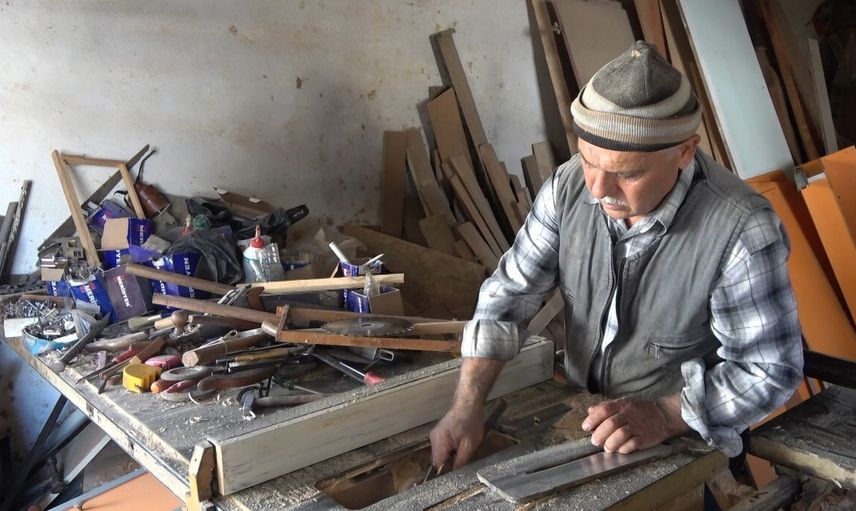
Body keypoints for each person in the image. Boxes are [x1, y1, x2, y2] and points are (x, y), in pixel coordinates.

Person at [429, 41, 803, 469]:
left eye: (627, 173)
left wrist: (666, 414)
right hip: (584, 420)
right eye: (589, 161)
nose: (598, 190)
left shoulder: (741, 230)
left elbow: (768, 369)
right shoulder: (568, 187)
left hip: (681, 440)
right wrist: (467, 403)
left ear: (684, 152)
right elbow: (509, 294)